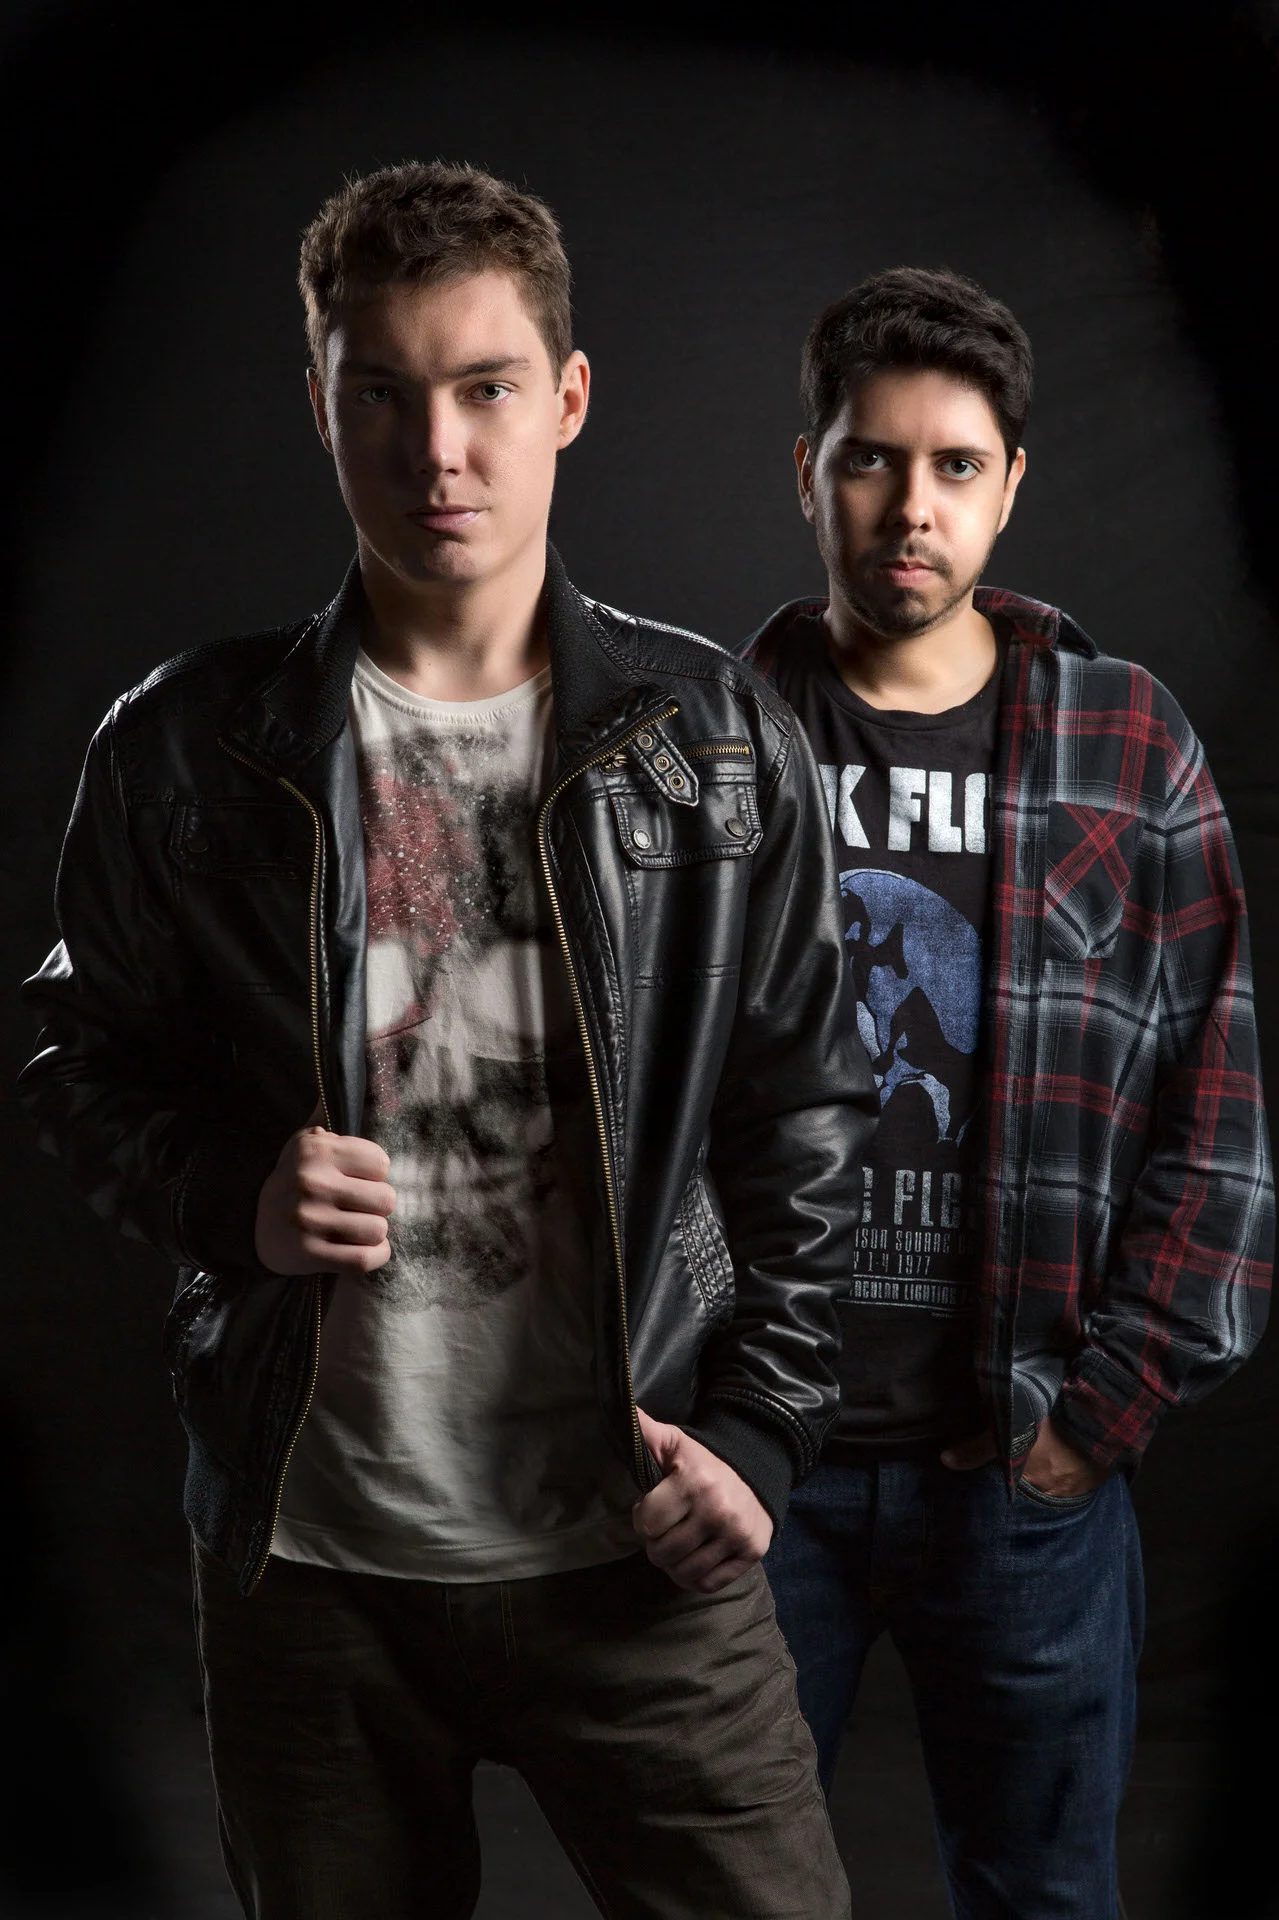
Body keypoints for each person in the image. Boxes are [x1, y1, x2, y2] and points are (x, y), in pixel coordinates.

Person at [19, 161, 877, 1920]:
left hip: (637, 1540)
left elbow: (806, 1108)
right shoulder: (183, 747)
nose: (437, 453)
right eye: (382, 396)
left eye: (486, 388)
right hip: (310, 1565)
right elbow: (77, 1058)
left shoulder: (716, 742)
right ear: (318, 404)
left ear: (568, 398)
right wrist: (233, 1196)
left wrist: (763, 1433)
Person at [741, 266, 1274, 1920]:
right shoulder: (711, 741)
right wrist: (682, 1415)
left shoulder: (1129, 749)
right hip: (756, 1473)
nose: (912, 506)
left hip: (1021, 1477)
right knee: (718, 1894)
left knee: (1044, 1898)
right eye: (871, 459)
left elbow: (1222, 1127)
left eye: (956, 465)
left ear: (1012, 484)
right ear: (810, 471)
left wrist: (1094, 1420)